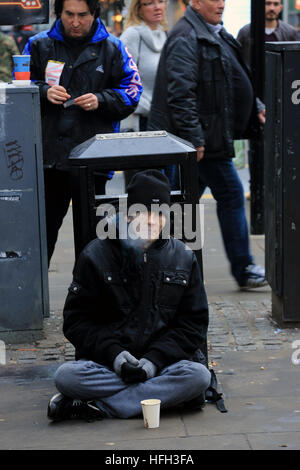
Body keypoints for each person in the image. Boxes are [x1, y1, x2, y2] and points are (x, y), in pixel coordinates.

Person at [47, 169, 211, 422]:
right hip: (109, 366)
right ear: (129, 213)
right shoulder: (97, 254)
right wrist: (115, 356)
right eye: (144, 212)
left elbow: (193, 324)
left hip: (162, 366)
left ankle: (102, 407)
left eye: (159, 214)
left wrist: (153, 361)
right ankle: (153, 399)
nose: (151, 221)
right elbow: (77, 321)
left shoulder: (182, 257)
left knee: (198, 376)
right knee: (66, 376)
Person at [148, 0, 268, 291]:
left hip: (207, 136)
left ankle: (165, 266)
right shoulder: (187, 36)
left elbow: (231, 77)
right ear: (195, 2)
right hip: (202, 139)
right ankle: (243, 267)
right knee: (231, 193)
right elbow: (181, 93)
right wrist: (195, 138)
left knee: (182, 204)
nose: (221, 3)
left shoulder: (210, 31)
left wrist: (255, 107)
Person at [23, 0, 143, 265]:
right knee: (40, 236)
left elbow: (133, 91)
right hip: (48, 158)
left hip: (93, 159)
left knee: (94, 238)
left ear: (94, 14)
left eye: (82, 15)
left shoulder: (113, 47)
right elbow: (19, 85)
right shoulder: (38, 45)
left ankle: (90, 300)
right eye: (69, 15)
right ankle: (31, 298)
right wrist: (43, 92)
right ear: (58, 13)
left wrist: (101, 100)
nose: (75, 22)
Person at [120, 0, 167, 133]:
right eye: (150, 3)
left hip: (162, 118)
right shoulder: (132, 35)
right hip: (139, 121)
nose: (157, 7)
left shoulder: (164, 36)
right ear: (138, 9)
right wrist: (146, 107)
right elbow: (121, 80)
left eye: (161, 1)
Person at [237, 0, 298, 67]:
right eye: (268, 3)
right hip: (252, 76)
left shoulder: (290, 32)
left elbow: (295, 62)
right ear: (260, 7)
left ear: (280, 7)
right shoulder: (245, 32)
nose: (272, 8)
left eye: (276, 4)